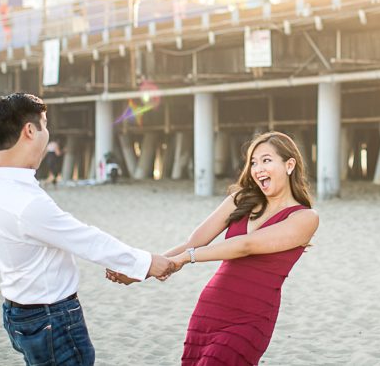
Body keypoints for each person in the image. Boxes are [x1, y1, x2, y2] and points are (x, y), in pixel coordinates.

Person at [0, 92, 176, 365]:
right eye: (45, 125)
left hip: (17, 312)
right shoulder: (27, 204)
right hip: (51, 317)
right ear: (30, 130)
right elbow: (85, 239)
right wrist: (145, 262)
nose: (48, 134)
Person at [106, 131, 319, 365]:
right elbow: (193, 242)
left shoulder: (305, 218)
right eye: (253, 162)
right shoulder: (241, 200)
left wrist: (187, 258)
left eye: (266, 160)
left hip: (251, 318)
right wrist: (141, 270)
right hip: (211, 309)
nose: (258, 168)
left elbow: (245, 246)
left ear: (289, 165)